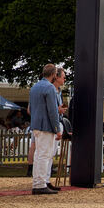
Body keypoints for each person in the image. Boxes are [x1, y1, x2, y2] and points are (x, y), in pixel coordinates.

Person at [28, 63, 61, 195]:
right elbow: (53, 111)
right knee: (45, 155)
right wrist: (57, 128)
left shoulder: (34, 87)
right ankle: (40, 184)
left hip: (36, 124)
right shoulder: (50, 88)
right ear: (53, 75)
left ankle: (38, 181)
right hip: (46, 125)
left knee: (38, 155)